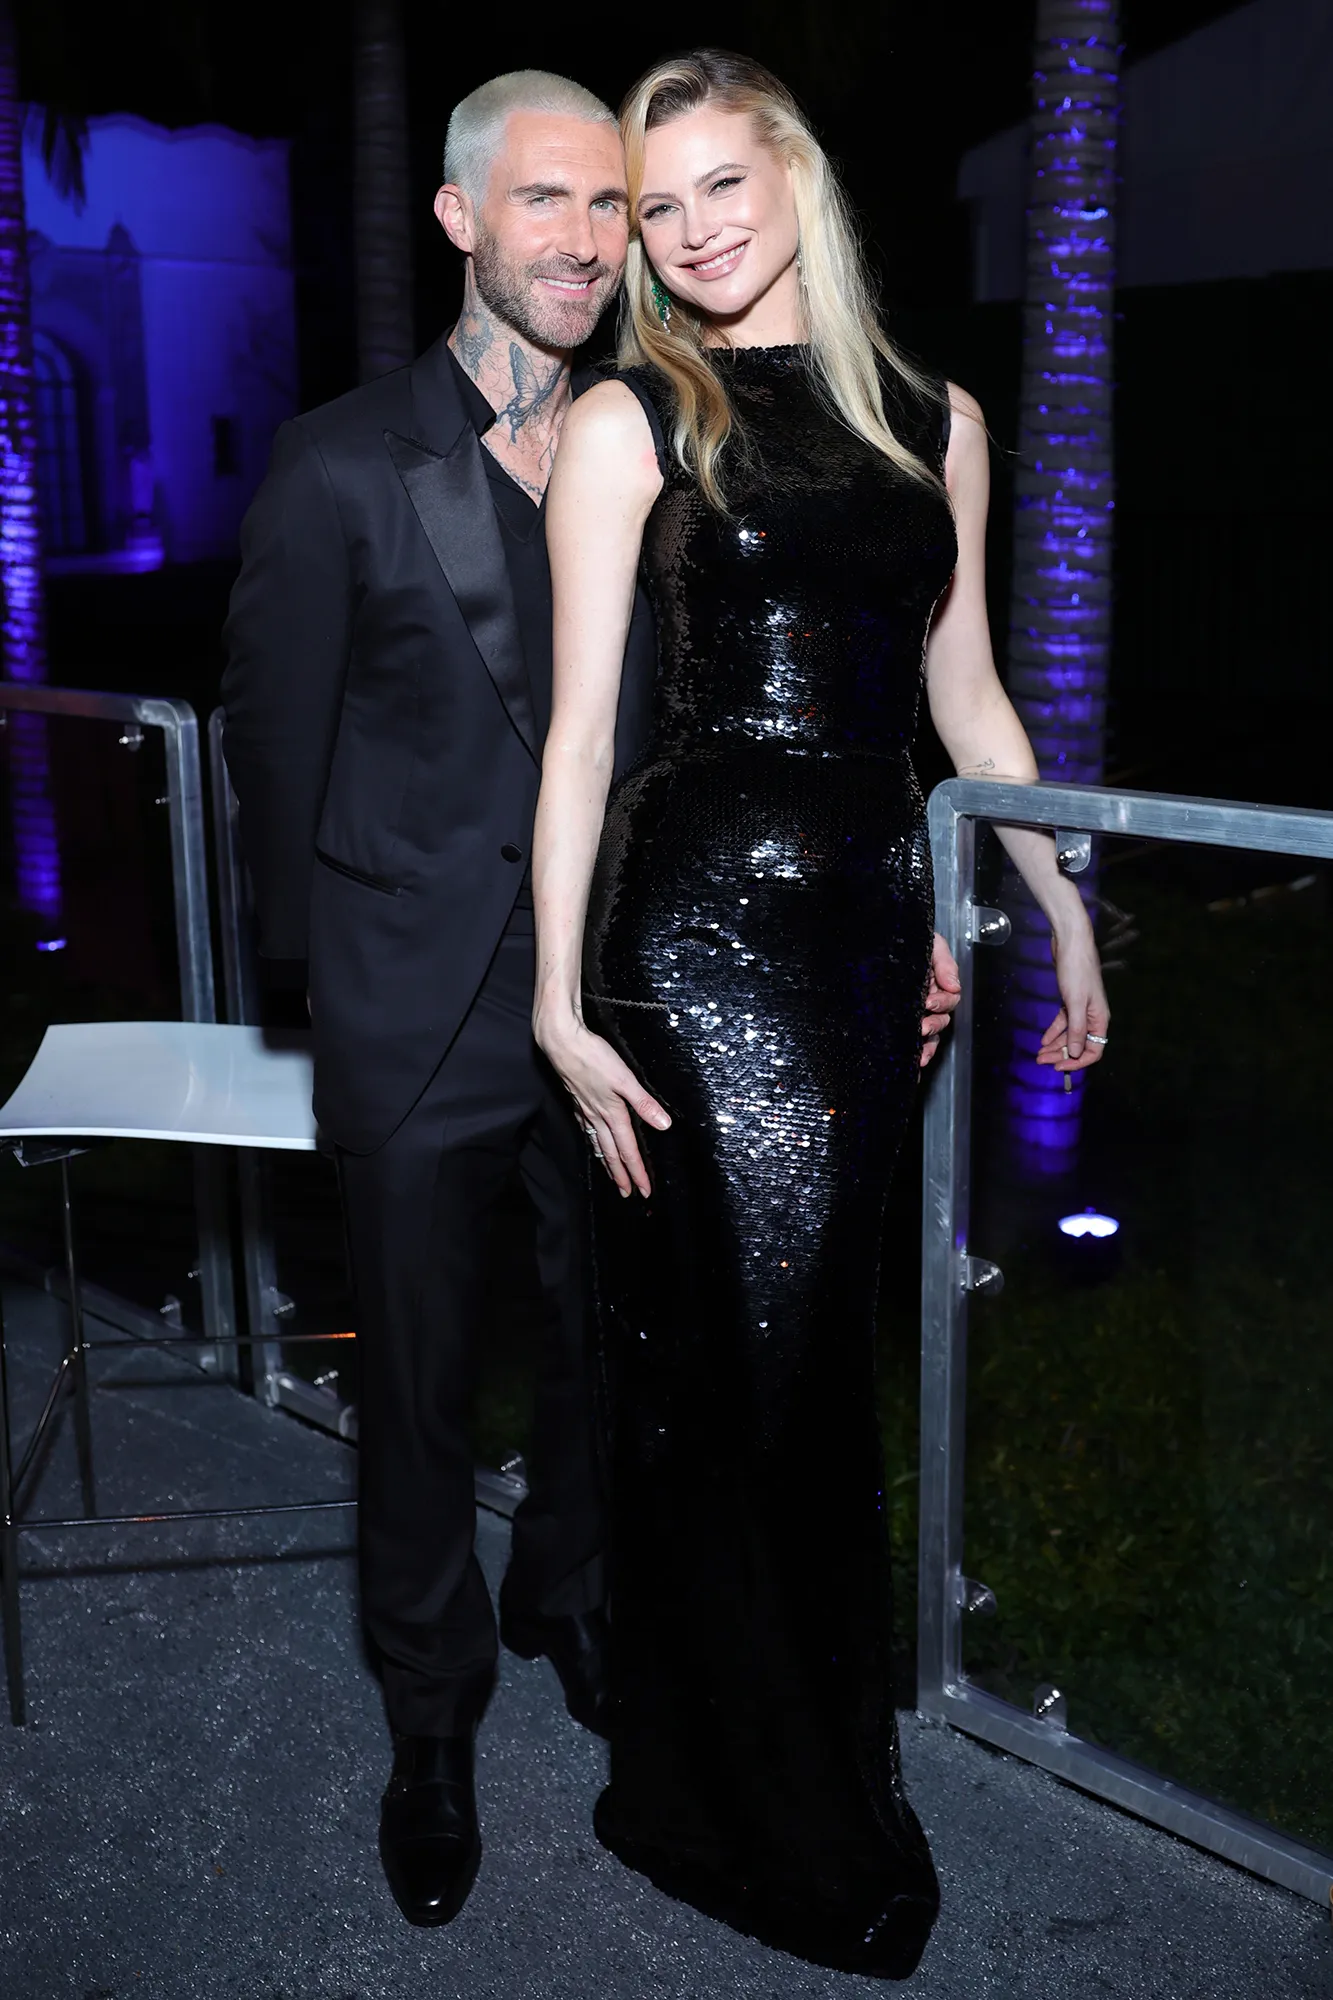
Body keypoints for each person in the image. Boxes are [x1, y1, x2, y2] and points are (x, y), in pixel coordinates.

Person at [530, 48, 1110, 1980]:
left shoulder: (933, 417)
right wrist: (557, 998)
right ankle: (742, 1793)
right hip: (692, 945)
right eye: (656, 202)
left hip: (869, 948)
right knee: (742, 1368)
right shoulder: (632, 420)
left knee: (807, 1376)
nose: (692, 232)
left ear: (798, 173)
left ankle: (796, 1754)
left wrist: (1057, 907)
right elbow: (588, 737)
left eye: (720, 184)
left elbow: (969, 699)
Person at [221, 71, 658, 1930]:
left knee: (598, 1349)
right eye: (549, 203)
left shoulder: (658, 441)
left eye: (614, 210)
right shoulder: (341, 462)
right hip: (421, 1014)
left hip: (615, 1002)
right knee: (410, 1394)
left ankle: (569, 1599)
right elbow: (276, 745)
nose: (586, 243)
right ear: (465, 219)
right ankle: (432, 1716)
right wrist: (328, 1007)